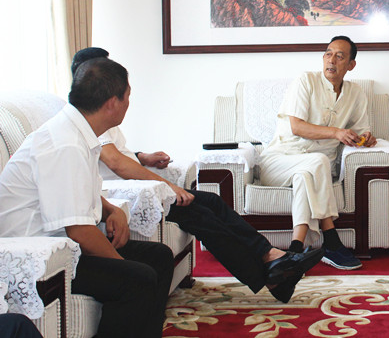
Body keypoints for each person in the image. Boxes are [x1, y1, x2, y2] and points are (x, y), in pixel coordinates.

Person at [69, 47, 323, 304]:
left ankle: (271, 258)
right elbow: (115, 163)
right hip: (131, 194)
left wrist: (141, 156)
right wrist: (169, 186)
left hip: (139, 187)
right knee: (200, 215)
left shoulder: (96, 118)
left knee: (211, 201)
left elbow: (112, 155)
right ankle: (272, 271)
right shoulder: (89, 118)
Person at [0, 58, 173, 338]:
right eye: (127, 96)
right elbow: (79, 231)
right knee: (137, 279)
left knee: (159, 257)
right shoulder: (65, 144)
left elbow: (77, 193)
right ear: (112, 103)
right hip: (41, 259)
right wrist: (122, 263)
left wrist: (111, 211)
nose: (129, 103)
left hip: (62, 246)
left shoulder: (76, 132)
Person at [258, 35, 377, 270]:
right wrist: (336, 132)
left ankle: (295, 250)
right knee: (318, 162)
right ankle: (331, 240)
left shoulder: (355, 93)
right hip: (279, 161)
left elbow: (360, 130)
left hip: (312, 169)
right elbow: (297, 127)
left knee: (306, 176)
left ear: (351, 65)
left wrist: (366, 138)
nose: (331, 60)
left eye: (339, 56)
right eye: (328, 54)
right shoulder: (306, 81)